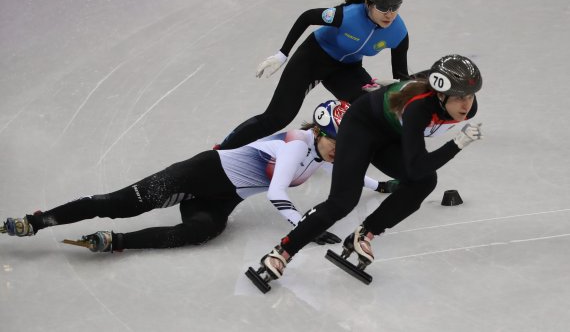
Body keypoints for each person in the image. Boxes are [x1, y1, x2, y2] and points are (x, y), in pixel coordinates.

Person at [1, 101, 399, 252]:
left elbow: (345, 171)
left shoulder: (325, 150)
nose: (340, 150)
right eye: (336, 142)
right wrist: (306, 226)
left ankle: (113, 243)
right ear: (319, 131)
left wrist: (379, 185)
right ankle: (35, 221)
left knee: (200, 233)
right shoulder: (297, 145)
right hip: (198, 174)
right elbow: (279, 194)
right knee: (118, 205)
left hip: (222, 199)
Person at [249, 54, 483, 285]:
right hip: (360, 128)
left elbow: (425, 78)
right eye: (460, 97)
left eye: (470, 96)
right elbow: (415, 167)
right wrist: (456, 144)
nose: (467, 105)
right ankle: (282, 252)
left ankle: (365, 233)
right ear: (441, 94)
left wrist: (401, 84)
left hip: (389, 135)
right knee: (343, 201)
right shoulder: (418, 110)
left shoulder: (462, 106)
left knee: (425, 182)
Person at [217, 0, 409, 150]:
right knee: (278, 117)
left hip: (346, 69)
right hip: (313, 58)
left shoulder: (398, 32)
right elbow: (307, 17)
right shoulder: (348, 16)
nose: (390, 14)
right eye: (383, 7)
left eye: (395, 6)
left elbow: (403, 78)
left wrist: (392, 87)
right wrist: (282, 53)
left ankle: (318, 135)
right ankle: (221, 149)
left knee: (372, 108)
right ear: (368, 2)